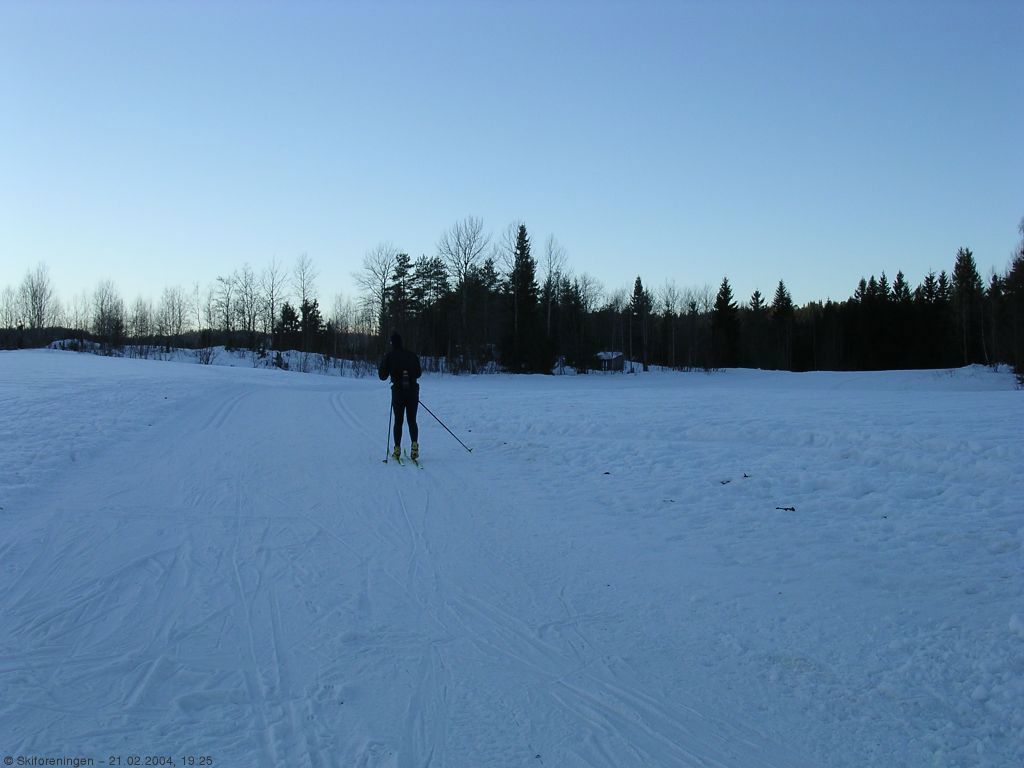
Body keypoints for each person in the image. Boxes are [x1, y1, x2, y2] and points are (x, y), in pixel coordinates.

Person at [378, 332, 422, 461]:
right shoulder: (411, 355)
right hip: (413, 390)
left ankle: (397, 449)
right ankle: (414, 446)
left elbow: (382, 376)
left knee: (398, 421)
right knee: (412, 420)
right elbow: (419, 373)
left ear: (392, 343)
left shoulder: (389, 356)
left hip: (397, 391)